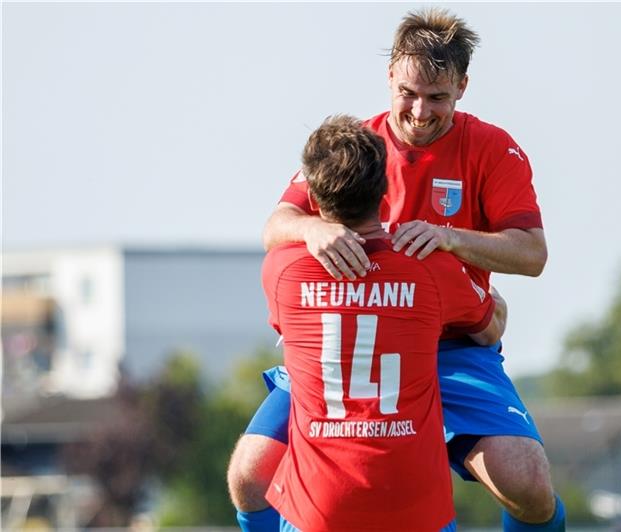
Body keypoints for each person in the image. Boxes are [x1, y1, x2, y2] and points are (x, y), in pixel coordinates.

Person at [228, 8, 566, 532]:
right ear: (389, 76)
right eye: (408, 93)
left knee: (527, 485)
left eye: (438, 98)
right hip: (352, 346)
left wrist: (451, 238)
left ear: (462, 87)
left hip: (451, 345)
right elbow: (278, 223)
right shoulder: (356, 146)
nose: (420, 111)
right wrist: (312, 229)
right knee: (250, 477)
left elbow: (532, 254)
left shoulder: (493, 148)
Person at [260, 114, 506, 532]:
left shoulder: (281, 271)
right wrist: (487, 298)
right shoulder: (432, 266)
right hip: (417, 508)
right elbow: (490, 328)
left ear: (314, 201)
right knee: (245, 472)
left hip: (318, 510)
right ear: (385, 191)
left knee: (248, 480)